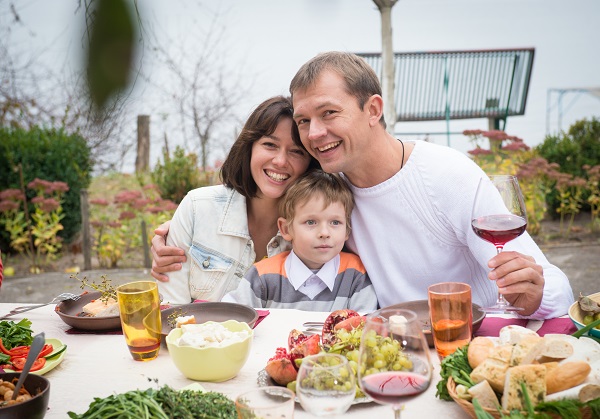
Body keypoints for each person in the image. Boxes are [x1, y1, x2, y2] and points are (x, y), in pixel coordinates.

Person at [153, 52, 574, 319]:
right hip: (388, 348)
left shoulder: (448, 175)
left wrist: (534, 293)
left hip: (469, 337)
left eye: (329, 113)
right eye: (304, 120)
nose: (313, 134)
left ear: (373, 109)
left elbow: (556, 287)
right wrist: (171, 246)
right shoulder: (326, 190)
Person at [156, 96, 319, 304]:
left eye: (296, 151)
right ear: (249, 148)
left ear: (310, 164)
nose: (280, 161)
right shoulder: (197, 208)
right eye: (270, 145)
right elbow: (172, 310)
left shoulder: (320, 230)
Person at [222, 170, 378, 311]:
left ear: (347, 230)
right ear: (286, 229)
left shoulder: (356, 274)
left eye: (335, 222)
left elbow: (365, 331)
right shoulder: (262, 276)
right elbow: (233, 319)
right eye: (311, 222)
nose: (324, 233)